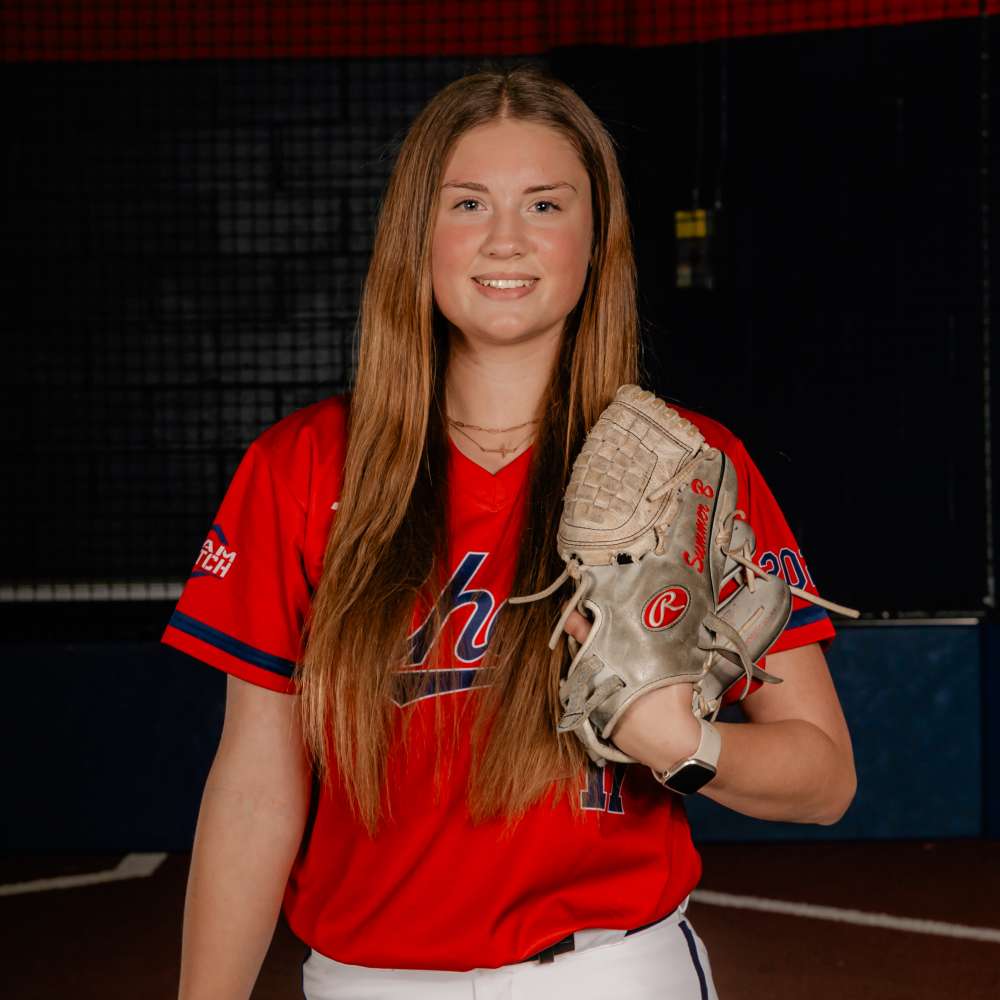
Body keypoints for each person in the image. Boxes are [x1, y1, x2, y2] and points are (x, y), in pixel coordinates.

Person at [162, 65, 856, 1000]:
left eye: (544, 204)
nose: (505, 239)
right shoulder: (304, 467)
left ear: (594, 241)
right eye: (467, 204)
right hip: (369, 982)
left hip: (611, 976)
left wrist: (686, 743)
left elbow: (825, 777)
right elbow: (254, 789)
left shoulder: (693, 470)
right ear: (416, 234)